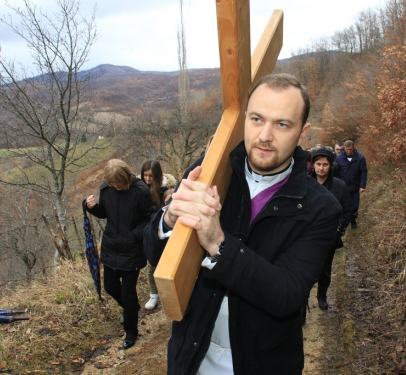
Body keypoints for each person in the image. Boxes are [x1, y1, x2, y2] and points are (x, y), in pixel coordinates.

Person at [146, 73, 342, 375]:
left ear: (303, 134)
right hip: (192, 354)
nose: (264, 135)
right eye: (256, 119)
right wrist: (169, 219)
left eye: (282, 124)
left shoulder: (320, 208)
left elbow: (287, 295)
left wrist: (219, 246)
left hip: (261, 361)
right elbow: (156, 254)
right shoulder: (210, 172)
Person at [85, 159, 154, 349]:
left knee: (128, 293)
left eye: (119, 183)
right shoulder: (107, 190)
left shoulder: (141, 192)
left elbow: (151, 218)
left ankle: (131, 331)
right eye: (112, 183)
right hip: (111, 247)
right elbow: (105, 213)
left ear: (126, 178)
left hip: (132, 250)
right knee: (110, 287)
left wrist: (133, 236)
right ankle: (130, 309)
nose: (116, 186)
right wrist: (92, 208)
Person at [309, 147, 353, 310]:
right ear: (313, 165)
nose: (321, 168)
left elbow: (348, 210)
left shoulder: (339, 186)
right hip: (307, 236)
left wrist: (339, 229)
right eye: (318, 164)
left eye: (325, 164)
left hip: (329, 237)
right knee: (303, 268)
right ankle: (301, 303)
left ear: (330, 166)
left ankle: (322, 296)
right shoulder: (304, 184)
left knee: (325, 269)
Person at [140, 160, 177, 310]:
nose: (148, 179)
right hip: (149, 229)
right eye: (145, 175)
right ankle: (154, 294)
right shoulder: (141, 188)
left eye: (151, 176)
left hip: (163, 228)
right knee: (151, 265)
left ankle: (170, 292)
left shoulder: (166, 188)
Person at [335, 140, 368, 229]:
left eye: (350, 149)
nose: (348, 151)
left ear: (353, 148)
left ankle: (353, 219)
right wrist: (339, 183)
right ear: (344, 148)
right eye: (347, 149)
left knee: (355, 206)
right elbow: (336, 172)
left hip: (355, 186)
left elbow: (363, 172)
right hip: (343, 187)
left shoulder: (360, 158)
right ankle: (344, 223)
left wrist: (362, 185)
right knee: (344, 206)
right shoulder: (339, 158)